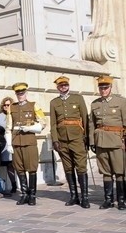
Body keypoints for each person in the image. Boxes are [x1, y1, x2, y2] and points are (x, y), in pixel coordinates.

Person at [49, 75, 90, 208]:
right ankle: (74, 196)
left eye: (65, 85)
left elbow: (85, 118)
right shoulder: (54, 102)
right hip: (62, 140)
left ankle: (84, 197)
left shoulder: (78, 98)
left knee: (81, 167)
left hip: (77, 138)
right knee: (68, 167)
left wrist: (87, 136)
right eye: (61, 85)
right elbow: (53, 123)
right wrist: (55, 140)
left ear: (68, 85)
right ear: (57, 87)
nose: (63, 87)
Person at [89, 75, 126, 210]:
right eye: (101, 87)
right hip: (101, 142)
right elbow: (92, 124)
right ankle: (108, 199)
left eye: (106, 87)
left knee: (120, 171)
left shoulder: (121, 102)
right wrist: (92, 141)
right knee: (106, 171)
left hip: (117, 141)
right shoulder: (95, 104)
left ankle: (121, 200)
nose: (103, 90)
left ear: (110, 87)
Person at [9, 82, 46, 206]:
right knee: (19, 168)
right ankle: (24, 194)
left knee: (31, 168)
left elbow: (43, 122)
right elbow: (9, 126)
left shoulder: (34, 105)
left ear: (26, 93)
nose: (20, 95)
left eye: (22, 92)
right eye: (18, 93)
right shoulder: (12, 108)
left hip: (29, 141)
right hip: (16, 142)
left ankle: (32, 195)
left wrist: (30, 128)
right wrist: (9, 143)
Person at [0, 96, 16, 195]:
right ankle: (13, 185)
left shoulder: (15, 114)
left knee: (18, 165)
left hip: (15, 141)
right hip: (5, 143)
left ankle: (24, 185)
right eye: (5, 105)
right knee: (9, 165)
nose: (6, 107)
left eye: (8, 105)